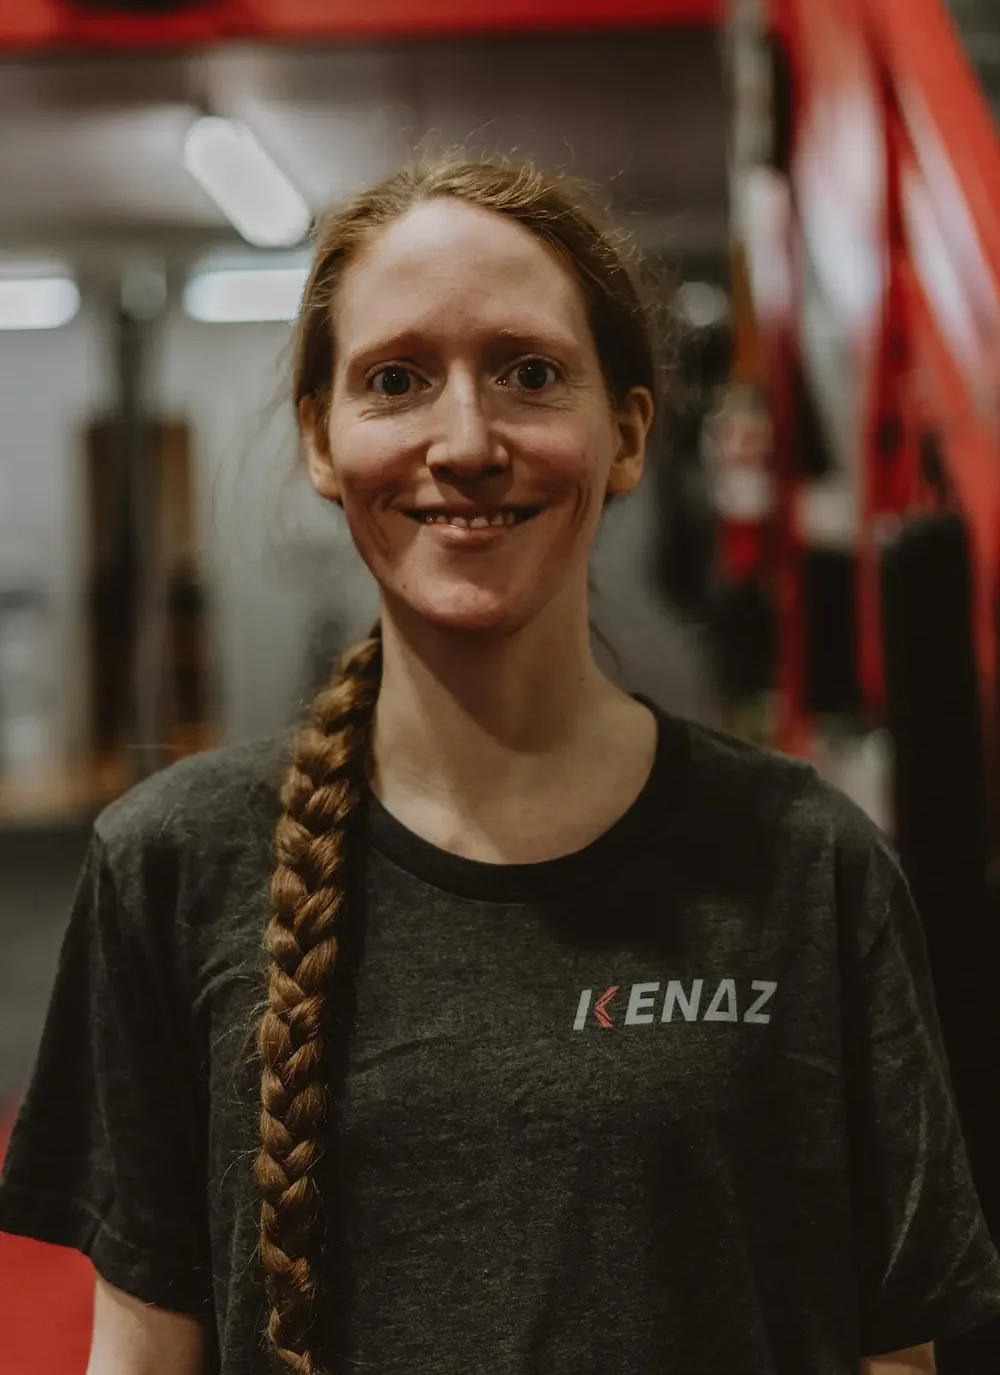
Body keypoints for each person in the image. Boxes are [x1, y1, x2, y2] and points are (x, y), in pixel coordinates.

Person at [1, 155, 999, 1375]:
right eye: (396, 380)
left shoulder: (804, 860)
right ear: (323, 438)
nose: (464, 440)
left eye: (529, 374)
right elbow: (145, 1349)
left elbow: (894, 1349)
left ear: (627, 433)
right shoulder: (171, 864)